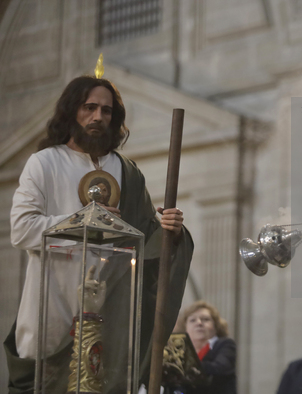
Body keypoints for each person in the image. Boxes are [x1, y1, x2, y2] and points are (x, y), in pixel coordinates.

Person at [4, 75, 194, 393]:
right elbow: (22, 229)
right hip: (54, 306)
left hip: (112, 313)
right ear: (71, 111)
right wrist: (83, 225)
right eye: (89, 107)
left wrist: (169, 231)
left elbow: (147, 240)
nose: (98, 117)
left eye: (106, 111)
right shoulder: (44, 163)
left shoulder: (126, 172)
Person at [167, 300, 237, 394]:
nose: (199, 323)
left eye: (205, 319)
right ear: (185, 327)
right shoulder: (179, 350)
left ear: (216, 326)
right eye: (192, 320)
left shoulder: (225, 344)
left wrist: (183, 367)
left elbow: (221, 368)